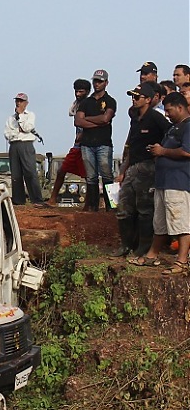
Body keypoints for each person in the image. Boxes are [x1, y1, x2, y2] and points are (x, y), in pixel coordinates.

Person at [130, 92, 190, 275]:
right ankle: (152, 255)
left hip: (178, 182)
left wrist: (162, 151)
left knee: (180, 222)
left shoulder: (188, 126)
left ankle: (181, 261)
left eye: (170, 110)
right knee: (160, 222)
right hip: (163, 181)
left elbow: (187, 152)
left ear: (180, 107)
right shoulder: (174, 128)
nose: (167, 114)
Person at [112, 84, 171, 257]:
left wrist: (160, 152)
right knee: (123, 208)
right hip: (133, 167)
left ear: (148, 99)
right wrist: (123, 170)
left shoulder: (155, 117)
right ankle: (126, 245)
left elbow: (170, 133)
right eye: (132, 96)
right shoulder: (135, 118)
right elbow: (132, 146)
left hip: (148, 167)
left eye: (137, 97)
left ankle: (143, 247)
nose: (133, 100)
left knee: (145, 209)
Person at [75, 69, 117, 211]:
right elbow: (78, 121)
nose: (97, 84)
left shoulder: (110, 101)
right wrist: (98, 122)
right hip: (87, 144)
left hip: (104, 143)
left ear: (106, 83)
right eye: (95, 81)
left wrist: (87, 120)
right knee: (91, 177)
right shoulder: (86, 102)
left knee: (107, 175)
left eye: (100, 81)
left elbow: (106, 118)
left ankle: (112, 206)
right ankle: (93, 207)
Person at [49, 79, 91, 205]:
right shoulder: (76, 106)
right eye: (76, 91)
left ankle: (90, 204)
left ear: (87, 92)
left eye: (81, 91)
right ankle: (52, 199)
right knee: (62, 170)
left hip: (87, 145)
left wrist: (84, 134)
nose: (78, 94)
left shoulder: (90, 105)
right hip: (77, 146)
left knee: (89, 176)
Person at [4, 93, 48, 206]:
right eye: (17, 101)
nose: (18, 103)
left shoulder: (30, 115)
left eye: (21, 101)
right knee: (16, 174)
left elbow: (27, 128)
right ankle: (18, 201)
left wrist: (20, 117)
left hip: (26, 144)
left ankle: (37, 200)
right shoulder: (10, 118)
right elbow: (7, 134)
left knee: (30, 172)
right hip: (14, 145)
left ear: (26, 103)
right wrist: (17, 132)